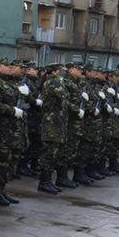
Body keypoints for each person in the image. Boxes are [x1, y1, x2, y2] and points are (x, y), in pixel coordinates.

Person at [0, 58, 24, 206]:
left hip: (13, 128)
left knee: (9, 161)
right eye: (6, 65)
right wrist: (12, 110)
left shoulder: (10, 83)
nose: (10, 68)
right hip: (0, 129)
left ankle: (2, 190)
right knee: (0, 161)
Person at [38, 63, 67, 193]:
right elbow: (63, 99)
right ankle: (44, 182)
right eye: (60, 71)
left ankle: (48, 181)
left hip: (54, 121)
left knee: (52, 153)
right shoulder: (54, 82)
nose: (62, 73)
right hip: (52, 123)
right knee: (49, 153)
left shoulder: (51, 82)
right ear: (54, 72)